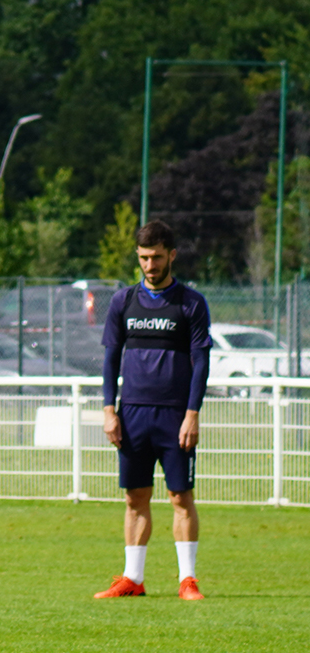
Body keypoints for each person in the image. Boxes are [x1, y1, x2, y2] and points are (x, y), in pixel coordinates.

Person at [96, 218, 212, 600]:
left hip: (175, 416)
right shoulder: (122, 302)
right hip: (132, 415)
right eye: (144, 257)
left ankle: (187, 579)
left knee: (180, 497)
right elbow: (111, 359)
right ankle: (133, 578)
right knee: (135, 497)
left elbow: (201, 363)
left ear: (172, 255)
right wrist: (108, 409)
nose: (150, 265)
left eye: (157, 257)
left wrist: (192, 414)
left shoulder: (191, 303)